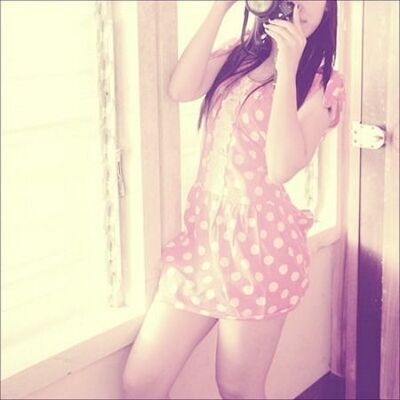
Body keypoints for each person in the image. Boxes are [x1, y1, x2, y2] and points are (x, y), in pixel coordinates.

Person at [122, 1, 346, 399]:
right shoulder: (240, 54)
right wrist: (219, 8)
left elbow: (282, 166)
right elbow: (181, 89)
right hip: (201, 242)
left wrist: (288, 67)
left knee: (237, 388)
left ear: (329, 9)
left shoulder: (323, 83)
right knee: (141, 383)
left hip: (261, 250)